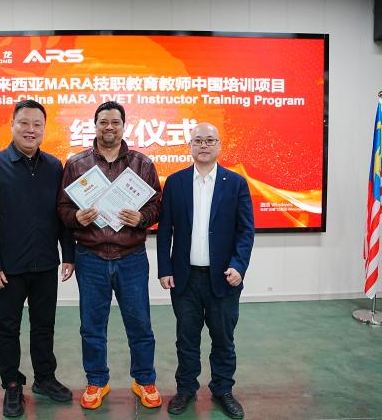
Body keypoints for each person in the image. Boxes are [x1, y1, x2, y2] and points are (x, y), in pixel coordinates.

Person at [0, 100, 75, 418]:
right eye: (24, 123)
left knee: (44, 325)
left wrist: (68, 256)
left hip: (45, 263)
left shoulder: (54, 166)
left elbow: (62, 215)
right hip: (8, 269)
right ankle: (13, 385)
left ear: (44, 129)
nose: (31, 130)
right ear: (12, 125)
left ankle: (45, 378)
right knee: (8, 327)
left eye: (37, 124)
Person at [57, 101, 163, 410]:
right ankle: (96, 381)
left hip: (132, 257)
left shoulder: (143, 164)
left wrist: (141, 217)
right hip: (90, 257)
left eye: (115, 122)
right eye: (103, 122)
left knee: (140, 323)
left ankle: (144, 380)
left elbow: (157, 204)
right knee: (92, 326)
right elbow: (62, 208)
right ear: (95, 125)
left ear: (123, 126)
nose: (109, 127)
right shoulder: (76, 164)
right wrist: (77, 218)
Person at [156, 122, 255, 418]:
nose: (203, 145)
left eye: (210, 140)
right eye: (198, 140)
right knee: (186, 339)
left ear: (219, 145)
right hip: (185, 279)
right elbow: (165, 230)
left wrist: (239, 265)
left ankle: (223, 390)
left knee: (223, 339)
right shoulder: (175, 182)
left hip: (223, 279)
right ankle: (186, 389)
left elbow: (245, 231)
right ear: (189, 146)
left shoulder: (235, 183)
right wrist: (165, 268)